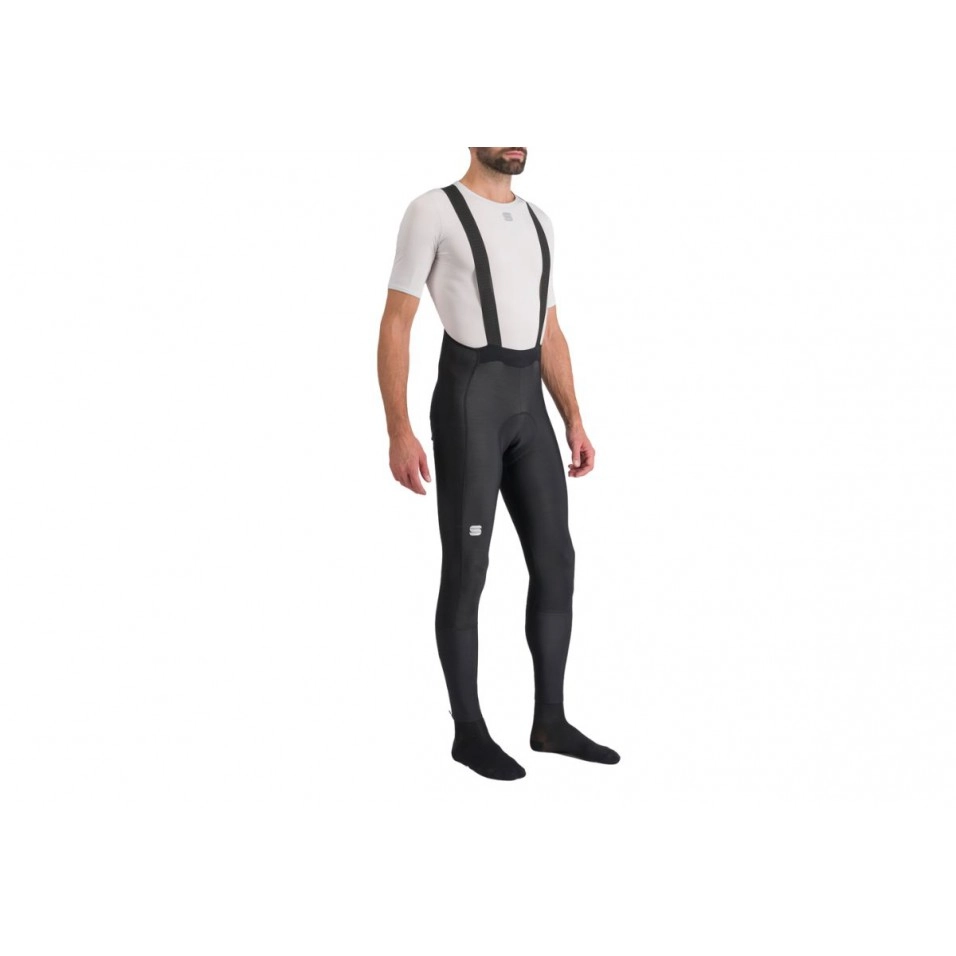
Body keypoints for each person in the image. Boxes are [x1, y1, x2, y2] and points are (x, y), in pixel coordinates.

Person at [377, 148, 619, 780]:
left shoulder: (540, 220)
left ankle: (550, 722)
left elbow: (550, 329)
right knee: (468, 568)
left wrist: (573, 418)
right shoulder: (432, 211)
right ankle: (469, 732)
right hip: (469, 407)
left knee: (557, 560)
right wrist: (399, 428)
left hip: (529, 409)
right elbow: (397, 322)